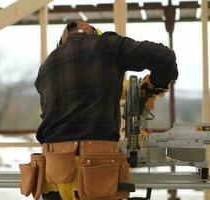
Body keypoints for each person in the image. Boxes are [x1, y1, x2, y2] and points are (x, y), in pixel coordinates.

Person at [33, 21, 178, 200]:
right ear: (95, 35)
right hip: (98, 169)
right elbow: (165, 58)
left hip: (54, 172)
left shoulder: (46, 67)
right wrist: (153, 85)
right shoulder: (107, 45)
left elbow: (48, 115)